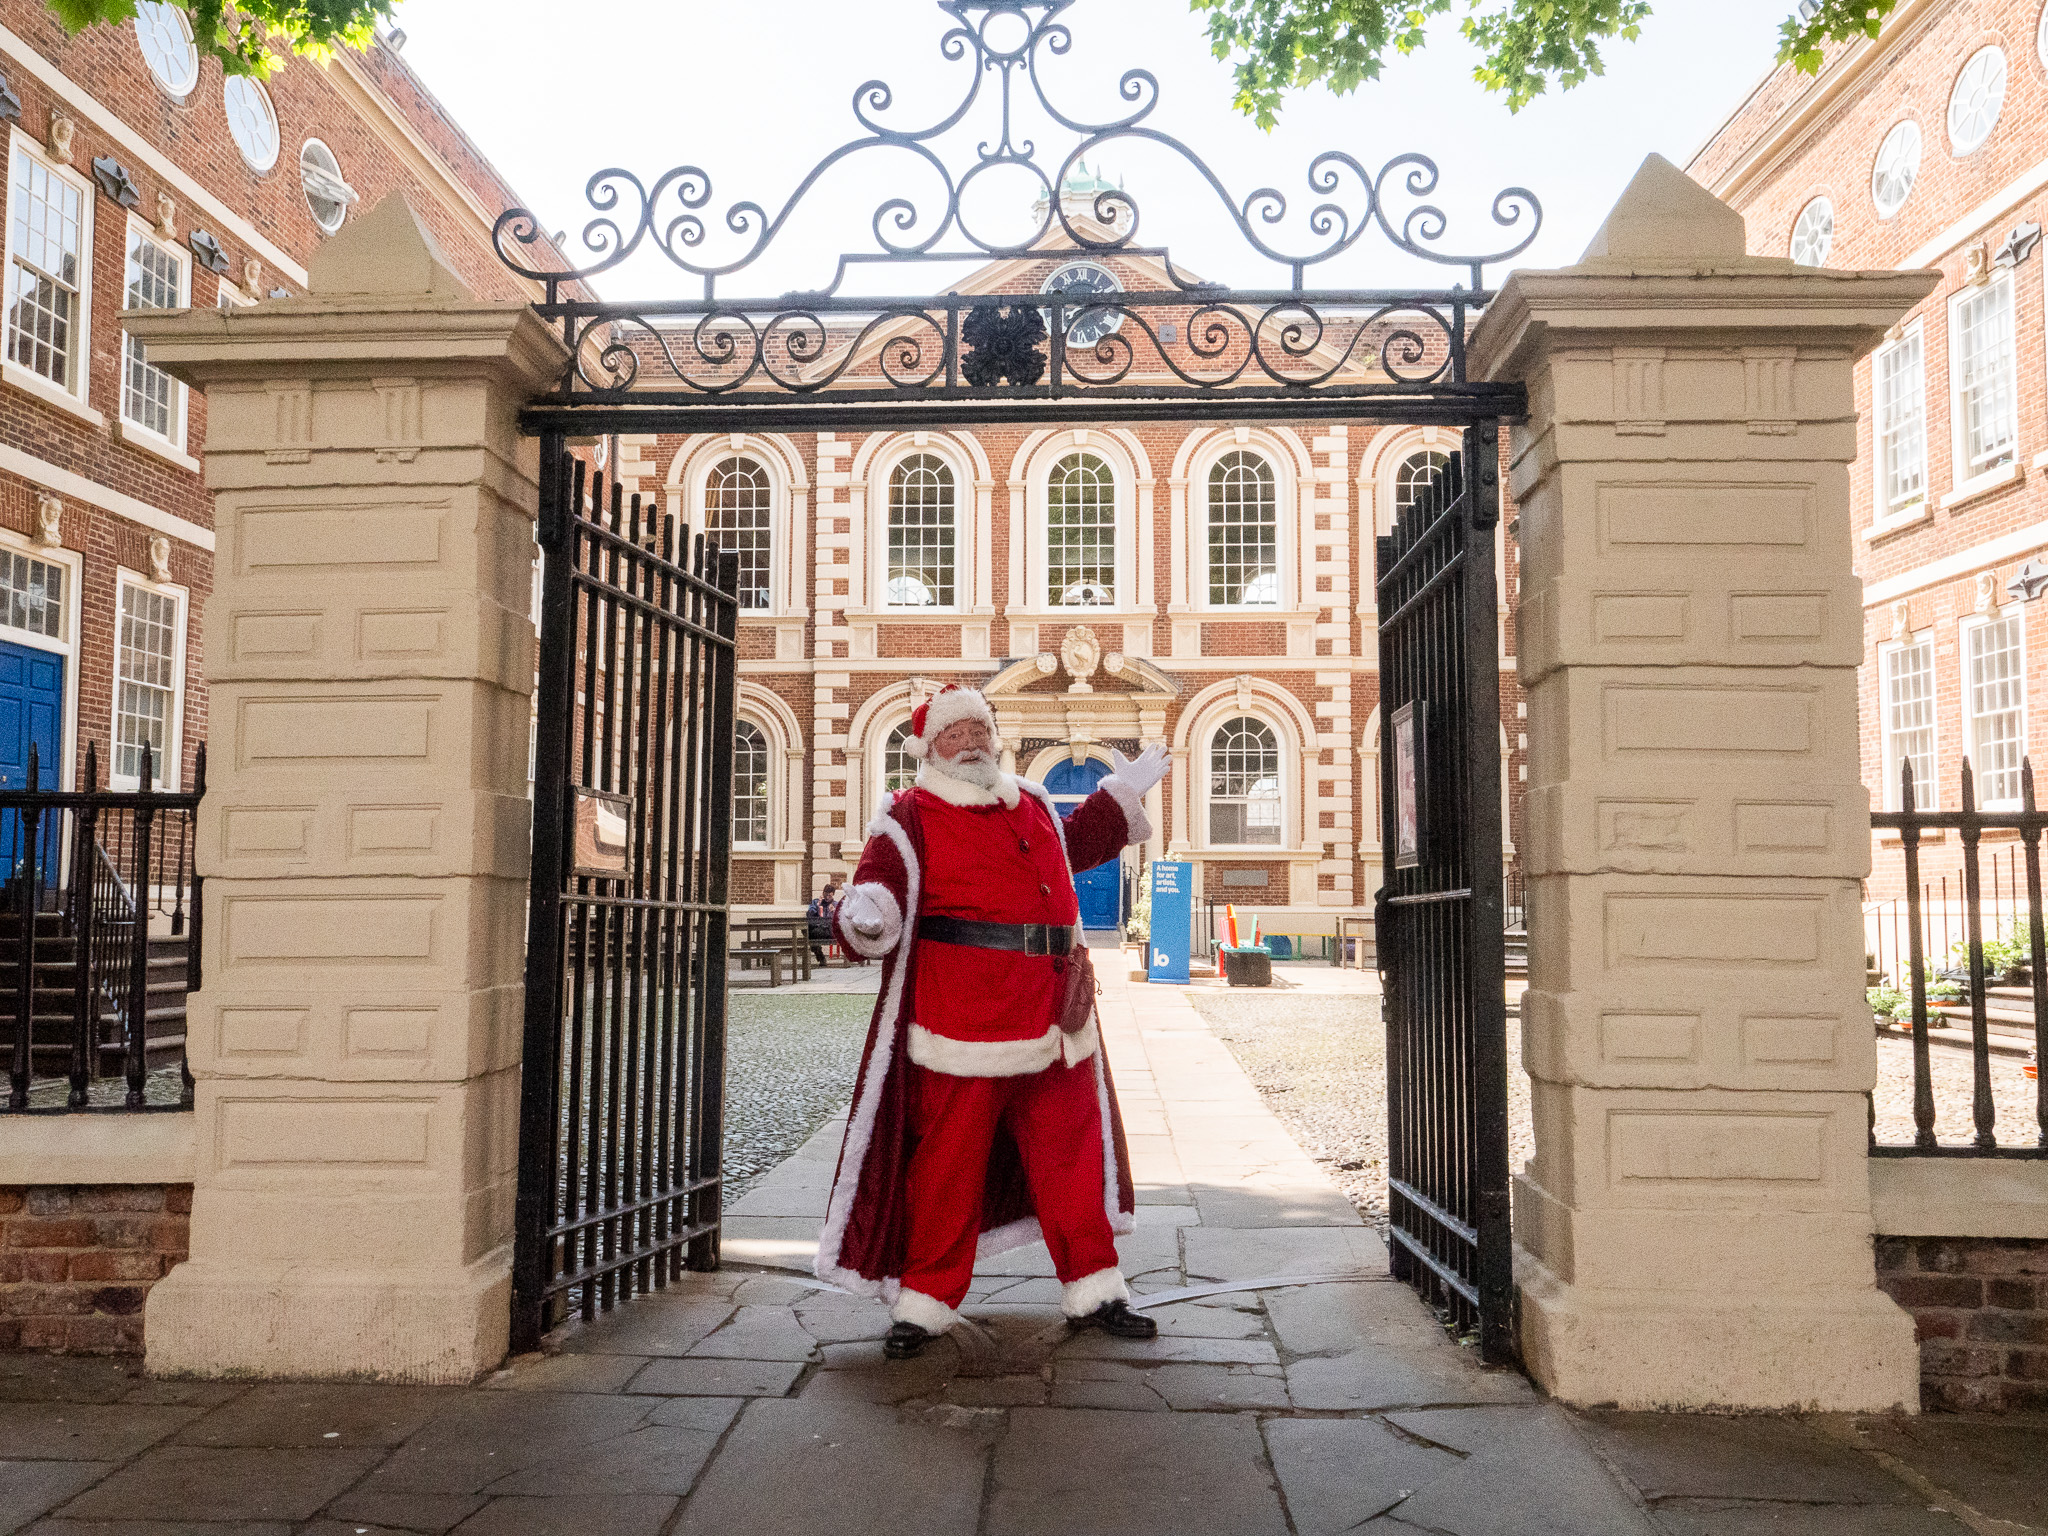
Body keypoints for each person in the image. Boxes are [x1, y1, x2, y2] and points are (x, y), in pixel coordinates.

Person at [815, 683, 1172, 1359]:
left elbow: (1069, 847)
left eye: (979, 729)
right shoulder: (908, 814)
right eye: (955, 734)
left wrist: (1118, 797)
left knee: (1072, 1156)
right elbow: (879, 886)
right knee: (948, 1163)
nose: (971, 741)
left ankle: (1096, 1287)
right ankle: (926, 1301)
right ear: (930, 747)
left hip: (1053, 1013)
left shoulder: (1030, 799)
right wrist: (866, 915)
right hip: (963, 1020)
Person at [807, 879, 841, 967]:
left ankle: (821, 957)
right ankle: (821, 957)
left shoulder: (836, 904)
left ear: (833, 894)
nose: (827, 896)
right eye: (825, 893)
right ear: (823, 893)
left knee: (811, 934)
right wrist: (817, 906)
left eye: (829, 894)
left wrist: (834, 912)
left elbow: (841, 920)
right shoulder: (816, 902)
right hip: (818, 928)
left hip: (829, 930)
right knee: (810, 932)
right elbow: (809, 915)